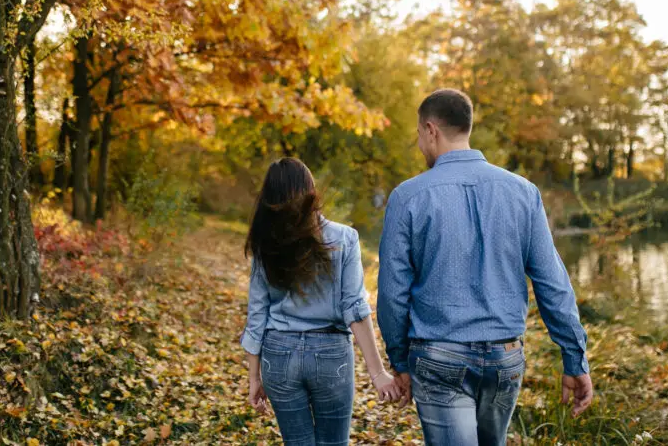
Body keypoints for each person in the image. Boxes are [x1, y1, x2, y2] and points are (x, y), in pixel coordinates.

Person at [377, 89, 594, 446]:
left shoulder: (408, 196)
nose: (419, 144)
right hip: (504, 357)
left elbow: (391, 293)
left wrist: (399, 361)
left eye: (418, 134)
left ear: (431, 129)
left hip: (437, 356)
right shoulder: (523, 192)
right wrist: (575, 358)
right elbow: (552, 282)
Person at [241, 157, 401, 445]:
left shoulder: (266, 244)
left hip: (278, 355)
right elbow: (355, 308)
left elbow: (257, 315)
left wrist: (254, 378)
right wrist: (377, 373)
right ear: (310, 190)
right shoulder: (344, 238)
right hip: (331, 354)